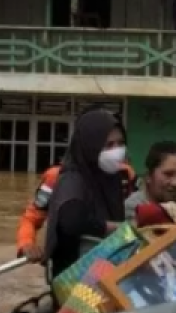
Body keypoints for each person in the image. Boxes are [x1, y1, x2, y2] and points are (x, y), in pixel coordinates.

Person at [41, 109, 129, 283]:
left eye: (120, 143)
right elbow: (71, 221)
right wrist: (115, 228)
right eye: (108, 145)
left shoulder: (113, 177)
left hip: (104, 272)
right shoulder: (72, 179)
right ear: (90, 146)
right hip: (74, 279)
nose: (116, 151)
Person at [17, 158, 137, 263]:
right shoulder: (56, 177)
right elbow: (31, 219)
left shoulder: (125, 175)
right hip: (67, 263)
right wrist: (26, 244)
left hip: (114, 255)